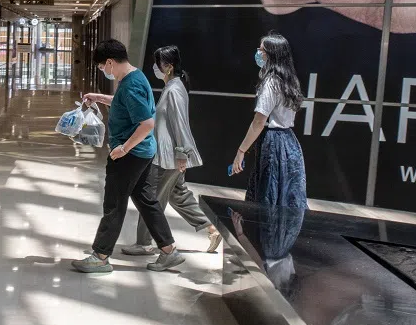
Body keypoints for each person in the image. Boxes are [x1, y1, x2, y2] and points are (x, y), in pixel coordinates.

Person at [72, 39, 183, 274]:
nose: (104, 71)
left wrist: (124, 148)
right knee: (146, 200)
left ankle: (101, 256)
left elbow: (146, 123)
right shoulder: (134, 76)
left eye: (103, 67)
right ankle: (169, 251)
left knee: (114, 202)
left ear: (110, 62)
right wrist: (100, 97)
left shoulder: (130, 84)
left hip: (130, 154)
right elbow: (126, 105)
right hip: (142, 153)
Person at [121, 46, 222, 257]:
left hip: (167, 157)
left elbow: (180, 124)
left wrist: (181, 154)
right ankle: (212, 228)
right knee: (178, 195)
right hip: (169, 155)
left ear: (168, 67)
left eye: (158, 64)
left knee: (150, 198)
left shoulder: (175, 90)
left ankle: (145, 242)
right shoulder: (173, 87)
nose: (154, 68)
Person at [231, 32, 307, 208]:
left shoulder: (271, 82)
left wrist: (241, 150)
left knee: (268, 195)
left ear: (272, 54)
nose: (258, 52)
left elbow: (259, 121)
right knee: (286, 196)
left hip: (273, 143)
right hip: (289, 142)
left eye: (262, 50)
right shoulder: (290, 80)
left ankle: (265, 233)